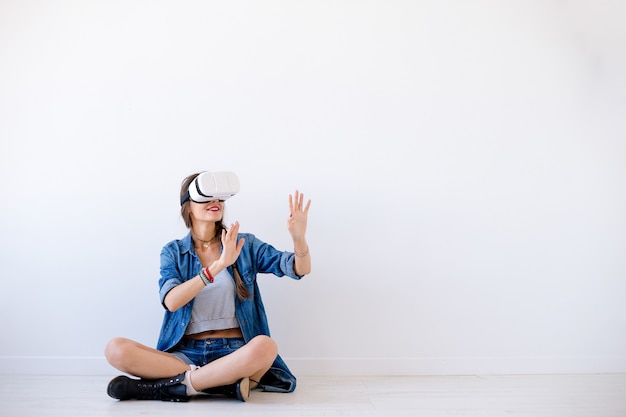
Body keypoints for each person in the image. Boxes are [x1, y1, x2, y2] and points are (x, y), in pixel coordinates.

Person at [104, 171, 311, 402]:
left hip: (235, 352)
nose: (215, 202)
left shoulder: (245, 245)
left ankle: (175, 387)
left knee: (265, 347)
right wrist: (219, 265)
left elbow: (298, 268)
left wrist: (299, 238)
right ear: (188, 205)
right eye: (206, 197)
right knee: (115, 349)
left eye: (219, 198)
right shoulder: (173, 252)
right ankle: (222, 385)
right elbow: (171, 301)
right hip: (186, 354)